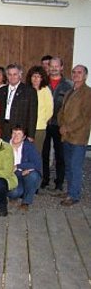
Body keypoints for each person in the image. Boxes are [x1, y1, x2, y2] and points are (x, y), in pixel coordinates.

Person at [57, 65, 91, 206]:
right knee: (69, 166)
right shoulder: (70, 91)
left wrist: (67, 128)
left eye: (79, 72)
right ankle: (71, 190)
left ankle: (74, 195)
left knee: (75, 166)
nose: (76, 74)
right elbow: (62, 111)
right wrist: (61, 124)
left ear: (85, 76)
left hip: (78, 136)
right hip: (66, 135)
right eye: (74, 72)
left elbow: (85, 117)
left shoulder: (88, 93)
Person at [41, 57, 73, 191]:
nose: (53, 68)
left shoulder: (68, 85)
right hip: (44, 123)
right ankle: (45, 179)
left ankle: (59, 182)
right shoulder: (43, 83)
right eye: (51, 66)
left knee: (60, 155)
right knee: (44, 153)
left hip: (59, 125)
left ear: (61, 67)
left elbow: (70, 107)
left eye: (56, 66)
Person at [0, 64, 38, 141]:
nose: (12, 77)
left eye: (15, 74)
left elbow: (32, 114)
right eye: (10, 74)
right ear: (6, 76)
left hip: (20, 130)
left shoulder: (29, 91)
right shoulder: (0, 92)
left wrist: (31, 135)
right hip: (3, 128)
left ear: (20, 75)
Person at [7, 126, 42, 211]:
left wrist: (19, 166)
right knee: (15, 193)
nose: (16, 136)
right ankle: (17, 193)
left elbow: (37, 163)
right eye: (14, 133)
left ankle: (26, 202)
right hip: (11, 176)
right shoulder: (5, 146)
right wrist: (20, 172)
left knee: (33, 175)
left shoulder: (28, 146)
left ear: (24, 137)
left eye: (19, 134)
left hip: (26, 174)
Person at [25, 66, 53, 153]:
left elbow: (49, 110)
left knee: (36, 152)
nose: (35, 79)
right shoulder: (26, 90)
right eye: (33, 76)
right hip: (25, 127)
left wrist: (42, 121)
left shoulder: (45, 90)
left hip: (39, 128)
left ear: (42, 78)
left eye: (38, 76)